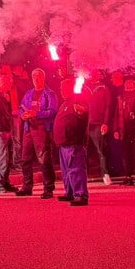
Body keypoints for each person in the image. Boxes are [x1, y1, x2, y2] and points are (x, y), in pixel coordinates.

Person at [16, 68, 58, 199]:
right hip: (29, 129)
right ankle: (27, 186)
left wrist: (37, 113)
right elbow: (20, 108)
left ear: (44, 78)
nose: (36, 79)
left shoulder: (50, 94)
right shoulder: (29, 94)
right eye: (34, 76)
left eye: (39, 76)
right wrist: (23, 115)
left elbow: (53, 111)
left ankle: (48, 188)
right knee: (25, 159)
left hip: (42, 129)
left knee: (44, 159)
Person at [54, 78, 89, 206]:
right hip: (63, 143)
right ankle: (70, 192)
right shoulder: (65, 103)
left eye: (64, 88)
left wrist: (81, 112)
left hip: (73, 142)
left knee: (76, 169)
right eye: (61, 88)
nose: (62, 91)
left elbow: (83, 112)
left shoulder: (78, 100)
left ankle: (80, 194)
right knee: (66, 170)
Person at [85, 70, 114, 186]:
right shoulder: (83, 86)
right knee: (83, 151)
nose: (92, 74)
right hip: (85, 124)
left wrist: (105, 123)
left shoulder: (103, 87)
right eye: (91, 72)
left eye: (95, 72)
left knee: (101, 150)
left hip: (98, 123)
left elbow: (108, 106)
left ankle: (105, 174)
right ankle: (84, 175)